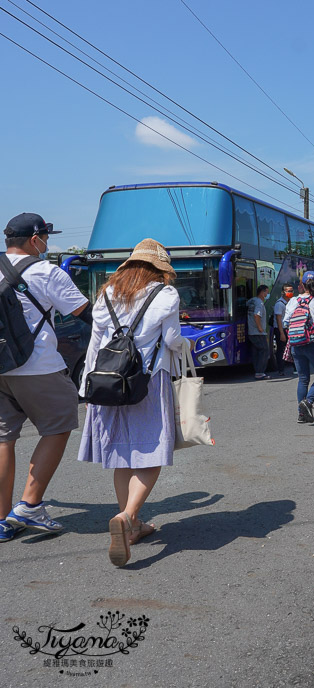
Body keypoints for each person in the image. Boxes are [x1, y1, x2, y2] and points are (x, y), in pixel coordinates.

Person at [76, 238, 184, 567]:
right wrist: (185, 344)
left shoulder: (107, 294)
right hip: (147, 383)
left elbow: (95, 346)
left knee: (122, 456)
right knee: (150, 453)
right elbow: (171, 341)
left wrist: (86, 388)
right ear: (159, 268)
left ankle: (134, 526)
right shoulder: (165, 295)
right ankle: (127, 517)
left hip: (107, 384)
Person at [0, 213, 91, 543]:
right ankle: (30, 504)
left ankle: (2, 519)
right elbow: (85, 313)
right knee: (60, 425)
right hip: (37, 366)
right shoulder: (47, 272)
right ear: (35, 239)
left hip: (0, 367)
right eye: (46, 238)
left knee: (3, 438)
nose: (48, 244)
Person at [282, 272, 314, 424]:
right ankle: (308, 402)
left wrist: (297, 334)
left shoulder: (293, 301)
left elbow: (286, 323)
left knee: (303, 379)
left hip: (296, 344)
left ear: (302, 285)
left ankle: (301, 415)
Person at [246, 285, 270, 380]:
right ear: (262, 292)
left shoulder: (252, 301)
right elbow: (257, 315)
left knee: (256, 352)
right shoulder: (259, 303)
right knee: (264, 350)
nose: (267, 294)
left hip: (251, 331)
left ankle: (257, 371)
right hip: (258, 332)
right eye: (266, 292)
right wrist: (260, 328)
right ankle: (260, 372)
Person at [271, 285, 293, 376]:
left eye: (291, 290)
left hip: (289, 328)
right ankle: (281, 369)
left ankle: (295, 368)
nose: (290, 292)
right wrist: (281, 333)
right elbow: (278, 319)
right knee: (281, 350)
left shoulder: (291, 302)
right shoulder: (279, 304)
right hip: (281, 329)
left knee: (292, 348)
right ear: (283, 292)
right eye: (288, 291)